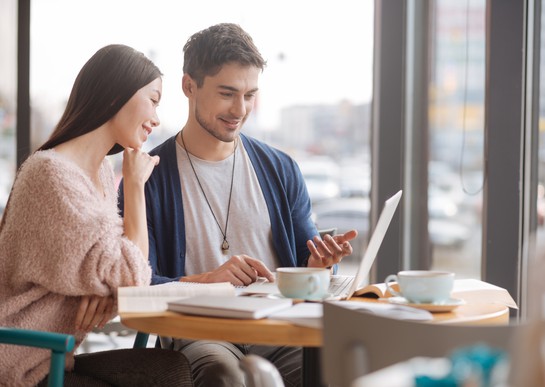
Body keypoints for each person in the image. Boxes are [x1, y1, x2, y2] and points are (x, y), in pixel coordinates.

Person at [118, 23, 357, 386]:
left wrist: (318, 265)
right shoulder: (148, 178)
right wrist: (208, 282)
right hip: (201, 333)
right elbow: (140, 284)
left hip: (279, 329)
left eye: (250, 95)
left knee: (336, 365)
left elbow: (307, 271)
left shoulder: (281, 169)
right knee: (222, 375)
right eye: (227, 93)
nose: (240, 109)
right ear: (189, 87)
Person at [0, 44, 193, 386]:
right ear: (115, 94)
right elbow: (131, 275)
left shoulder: (100, 171)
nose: (157, 118)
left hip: (58, 357)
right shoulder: (52, 174)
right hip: (22, 365)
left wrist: (108, 290)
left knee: (172, 368)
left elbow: (119, 273)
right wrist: (135, 186)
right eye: (153, 99)